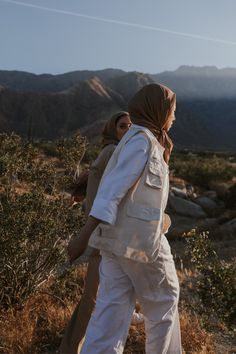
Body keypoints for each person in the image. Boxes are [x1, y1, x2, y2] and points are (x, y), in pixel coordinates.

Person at [68, 83, 182, 354]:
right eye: (172, 110)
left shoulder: (144, 140)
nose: (174, 117)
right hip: (139, 243)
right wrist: (83, 237)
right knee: (164, 300)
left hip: (117, 244)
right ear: (158, 110)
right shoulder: (141, 141)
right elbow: (111, 191)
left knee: (111, 313)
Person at [60, 111, 132, 354]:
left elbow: (95, 184)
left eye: (130, 127)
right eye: (122, 126)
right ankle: (71, 348)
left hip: (103, 234)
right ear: (112, 129)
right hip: (104, 235)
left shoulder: (109, 152)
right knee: (92, 299)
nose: (127, 131)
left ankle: (72, 347)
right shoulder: (114, 152)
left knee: (95, 298)